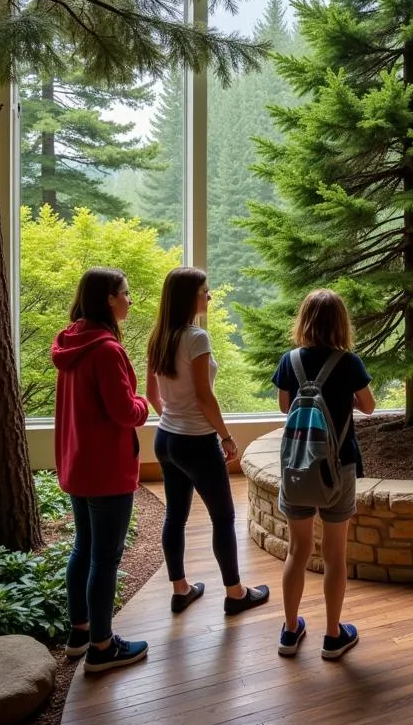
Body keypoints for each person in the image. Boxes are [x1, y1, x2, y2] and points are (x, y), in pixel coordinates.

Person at [146, 267, 270, 615]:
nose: (210, 296)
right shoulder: (196, 337)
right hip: (196, 443)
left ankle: (180, 589)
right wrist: (226, 436)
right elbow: (204, 396)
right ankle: (235, 594)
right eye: (205, 290)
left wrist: (174, 417)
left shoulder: (158, 337)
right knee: (223, 517)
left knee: (176, 516)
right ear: (189, 296)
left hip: (166, 438)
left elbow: (152, 395)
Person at [52, 267, 151, 674]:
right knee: (105, 558)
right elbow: (125, 411)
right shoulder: (107, 350)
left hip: (79, 465)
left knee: (84, 548)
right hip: (107, 470)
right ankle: (102, 647)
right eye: (125, 293)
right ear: (109, 299)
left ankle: (79, 634)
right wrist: (143, 401)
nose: (129, 300)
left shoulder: (71, 340)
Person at [272, 289, 376, 660]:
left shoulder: (290, 361)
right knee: (334, 554)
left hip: (298, 466)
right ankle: (333, 636)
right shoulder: (349, 363)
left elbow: (286, 407)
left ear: (304, 320)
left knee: (296, 552)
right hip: (339, 465)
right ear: (341, 323)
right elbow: (368, 406)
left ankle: (289, 631)